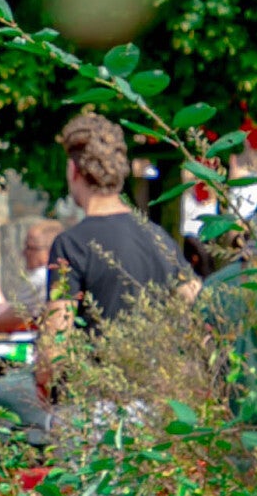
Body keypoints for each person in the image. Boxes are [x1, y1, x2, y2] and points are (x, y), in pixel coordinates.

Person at [35, 109, 190, 397]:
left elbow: (53, 352)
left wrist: (42, 377)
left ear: (74, 170)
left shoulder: (71, 245)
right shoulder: (159, 238)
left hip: (99, 405)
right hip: (159, 404)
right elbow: (197, 307)